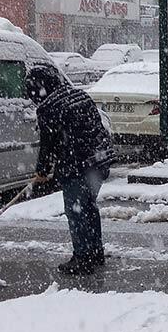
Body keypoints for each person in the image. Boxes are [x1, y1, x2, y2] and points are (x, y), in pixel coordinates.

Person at [28, 64, 115, 274]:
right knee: (88, 207)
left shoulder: (48, 107)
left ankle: (82, 259)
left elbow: (48, 145)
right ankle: (95, 252)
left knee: (75, 211)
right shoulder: (80, 95)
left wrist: (42, 171)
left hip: (78, 165)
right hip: (99, 161)